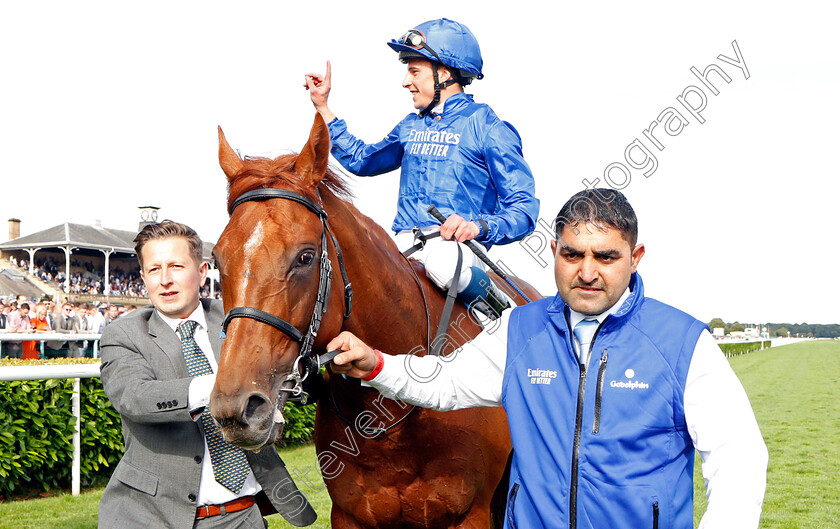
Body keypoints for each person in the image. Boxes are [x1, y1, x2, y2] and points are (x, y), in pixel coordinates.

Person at [327, 189, 768, 529]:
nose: (588, 272)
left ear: (635, 259)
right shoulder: (518, 329)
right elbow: (444, 381)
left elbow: (738, 458)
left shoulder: (685, 342)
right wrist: (377, 363)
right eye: (572, 254)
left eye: (606, 256)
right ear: (555, 252)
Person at [305, 18, 539, 319]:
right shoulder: (410, 126)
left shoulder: (488, 127)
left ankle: (503, 319)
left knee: (442, 265)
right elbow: (363, 160)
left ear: (444, 73)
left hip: (455, 249)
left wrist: (477, 226)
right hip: (405, 241)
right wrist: (323, 108)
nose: (406, 82)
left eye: (414, 71)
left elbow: (523, 209)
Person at [98, 220, 317, 528]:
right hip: (150, 517)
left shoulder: (238, 320)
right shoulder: (123, 334)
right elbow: (135, 398)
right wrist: (226, 383)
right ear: (143, 277)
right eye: (154, 270)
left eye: (176, 266)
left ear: (201, 272)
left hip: (243, 516)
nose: (165, 280)